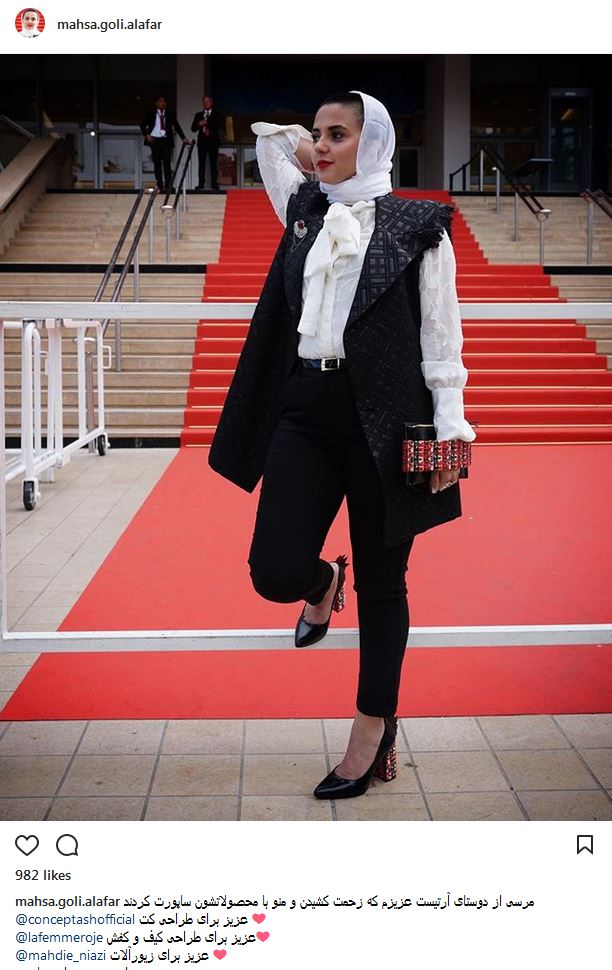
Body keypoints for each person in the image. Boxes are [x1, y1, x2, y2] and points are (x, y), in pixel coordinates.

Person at [208, 91, 476, 800]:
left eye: (339, 135)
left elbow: (441, 336)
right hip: (304, 410)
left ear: (375, 143)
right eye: (320, 134)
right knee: (273, 570)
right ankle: (324, 583)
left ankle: (371, 728)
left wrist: (450, 432)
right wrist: (308, 144)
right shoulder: (305, 210)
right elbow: (272, 145)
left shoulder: (421, 226)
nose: (322, 147)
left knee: (385, 585)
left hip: (385, 422)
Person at [140, 96, 189, 192]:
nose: (162, 103)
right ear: (156, 103)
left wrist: (183, 137)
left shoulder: (170, 114)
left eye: (164, 102)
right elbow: (142, 124)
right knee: (157, 163)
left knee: (167, 163)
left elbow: (176, 126)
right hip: (155, 140)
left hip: (166, 140)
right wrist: (146, 135)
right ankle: (160, 184)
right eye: (160, 101)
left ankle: (168, 185)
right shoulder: (151, 113)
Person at [191, 95, 225, 191]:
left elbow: (220, 125)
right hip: (202, 142)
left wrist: (207, 123)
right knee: (201, 163)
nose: (206, 104)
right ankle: (201, 183)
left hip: (213, 141)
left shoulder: (216, 114)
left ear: (211, 103)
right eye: (205, 102)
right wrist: (199, 124)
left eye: (208, 102)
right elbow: (193, 128)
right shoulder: (198, 115)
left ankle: (214, 184)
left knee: (213, 163)